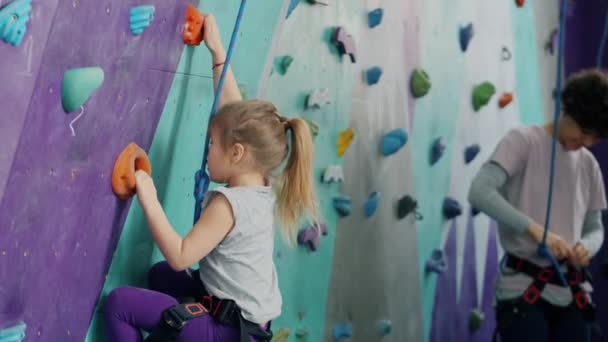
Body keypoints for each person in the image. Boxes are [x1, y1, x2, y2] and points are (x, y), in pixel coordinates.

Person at [104, 12, 319, 341]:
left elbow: (179, 255)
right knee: (158, 276)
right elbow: (233, 112)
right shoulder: (260, 180)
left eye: (212, 145)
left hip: (228, 332)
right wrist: (218, 52)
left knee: (120, 304)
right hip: (244, 319)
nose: (207, 151)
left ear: (236, 153)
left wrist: (148, 195)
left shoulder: (228, 206)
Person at [468, 69, 608, 342]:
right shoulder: (523, 141)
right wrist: (536, 231)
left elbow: (595, 227)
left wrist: (586, 247)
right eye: (585, 132)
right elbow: (480, 191)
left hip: (573, 293)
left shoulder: (589, 165)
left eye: (596, 138)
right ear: (571, 111)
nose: (588, 143)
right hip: (522, 291)